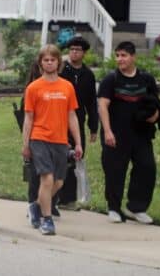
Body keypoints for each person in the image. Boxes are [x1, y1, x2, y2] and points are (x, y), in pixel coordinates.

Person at [22, 44, 82, 235]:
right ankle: (46, 220)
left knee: (58, 183)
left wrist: (78, 142)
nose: (49, 63)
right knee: (47, 179)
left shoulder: (67, 87)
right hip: (39, 138)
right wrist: (25, 144)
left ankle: (36, 207)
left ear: (58, 62)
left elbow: (72, 115)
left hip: (60, 140)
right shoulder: (33, 88)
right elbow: (28, 118)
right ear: (41, 63)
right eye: (45, 60)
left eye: (52, 60)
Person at [98, 41, 159, 224]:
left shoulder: (146, 79)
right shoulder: (111, 79)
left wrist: (154, 117)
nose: (120, 59)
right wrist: (107, 131)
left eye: (124, 55)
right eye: (117, 56)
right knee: (115, 171)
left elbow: (155, 103)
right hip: (116, 134)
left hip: (141, 134)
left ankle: (135, 208)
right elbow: (102, 105)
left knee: (147, 168)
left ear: (133, 57)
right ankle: (114, 208)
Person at [57, 37, 98, 210]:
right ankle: (54, 196)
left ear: (84, 53)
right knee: (58, 159)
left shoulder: (88, 75)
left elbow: (91, 103)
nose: (74, 52)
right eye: (71, 49)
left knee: (75, 159)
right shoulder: (60, 71)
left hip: (77, 122)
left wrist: (93, 127)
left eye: (78, 49)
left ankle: (68, 200)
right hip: (58, 121)